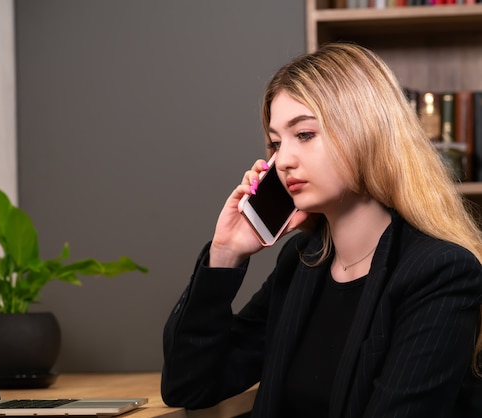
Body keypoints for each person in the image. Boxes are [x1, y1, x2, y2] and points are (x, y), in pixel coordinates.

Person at [161, 43, 482, 417]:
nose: (284, 160)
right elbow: (190, 384)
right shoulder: (302, 262)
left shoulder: (441, 271)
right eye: (276, 143)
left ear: (367, 131)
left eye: (305, 134)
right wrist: (226, 254)